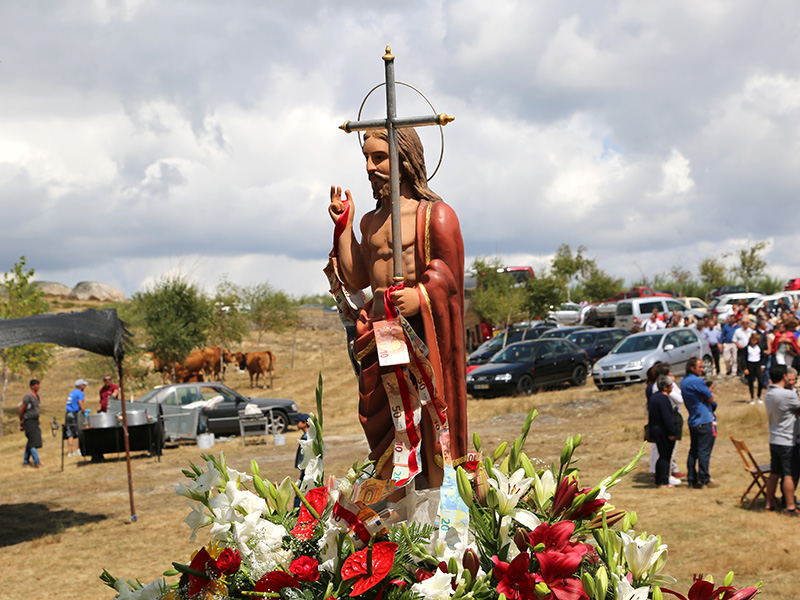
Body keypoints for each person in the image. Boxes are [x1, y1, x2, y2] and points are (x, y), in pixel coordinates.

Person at [327, 127, 467, 488]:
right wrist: (344, 225)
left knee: (427, 415)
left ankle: (437, 492)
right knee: (386, 421)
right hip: (379, 334)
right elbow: (357, 276)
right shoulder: (370, 221)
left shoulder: (435, 215)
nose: (370, 168)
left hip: (421, 337)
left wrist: (422, 295)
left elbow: (449, 278)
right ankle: (398, 498)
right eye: (366, 159)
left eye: (379, 158)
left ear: (404, 161)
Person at [763, 365, 800, 515]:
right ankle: (790, 507)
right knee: (789, 473)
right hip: (787, 440)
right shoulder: (787, 395)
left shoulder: (769, 393)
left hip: (774, 438)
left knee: (774, 473)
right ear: (784, 376)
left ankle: (768, 504)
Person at [682, 357, 718, 489]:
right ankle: (704, 478)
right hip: (704, 420)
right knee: (704, 452)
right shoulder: (697, 381)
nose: (702, 370)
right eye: (700, 367)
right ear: (692, 368)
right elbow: (710, 398)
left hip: (693, 420)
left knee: (694, 451)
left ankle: (692, 477)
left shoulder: (685, 381)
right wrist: (711, 400)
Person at [648, 375, 678, 488]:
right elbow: (667, 418)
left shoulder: (654, 397)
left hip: (656, 429)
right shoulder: (663, 399)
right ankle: (664, 482)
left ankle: (659, 480)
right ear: (665, 387)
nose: (672, 388)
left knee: (661, 456)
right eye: (670, 386)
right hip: (663, 431)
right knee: (665, 456)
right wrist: (672, 432)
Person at [18, 379, 43, 468]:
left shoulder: (37, 396)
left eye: (39, 385)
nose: (38, 386)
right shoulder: (28, 397)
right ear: (32, 386)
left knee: (31, 440)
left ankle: (26, 461)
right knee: (33, 442)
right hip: (29, 421)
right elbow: (21, 409)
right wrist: (21, 421)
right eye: (36, 385)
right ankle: (37, 462)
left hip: (35, 421)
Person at [65, 379, 87, 457]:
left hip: (68, 414)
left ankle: (69, 452)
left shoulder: (72, 392)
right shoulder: (80, 393)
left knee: (70, 433)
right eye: (84, 385)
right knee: (78, 432)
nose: (85, 386)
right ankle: (76, 450)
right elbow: (80, 402)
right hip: (75, 414)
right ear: (81, 386)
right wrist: (84, 412)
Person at [743, 333, 766, 404]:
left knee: (761, 381)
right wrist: (745, 368)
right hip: (750, 364)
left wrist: (763, 365)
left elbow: (763, 357)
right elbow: (743, 359)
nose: (754, 342)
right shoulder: (747, 348)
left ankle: (758, 396)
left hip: (757, 364)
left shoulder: (759, 347)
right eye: (753, 340)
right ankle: (752, 398)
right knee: (751, 382)